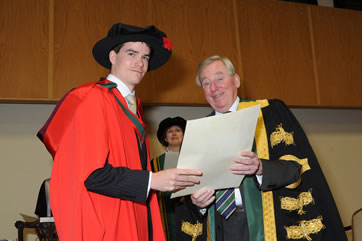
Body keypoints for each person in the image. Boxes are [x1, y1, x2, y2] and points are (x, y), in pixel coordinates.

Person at [36, 23, 202, 241]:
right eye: (131, 53)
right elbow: (90, 175)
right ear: (112, 56)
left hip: (133, 215)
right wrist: (152, 181)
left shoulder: (131, 106)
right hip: (108, 222)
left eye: (145, 57)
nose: (140, 63)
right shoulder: (94, 98)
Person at [180, 55, 348, 241]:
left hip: (266, 227)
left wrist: (260, 167)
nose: (214, 88)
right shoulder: (199, 131)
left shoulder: (270, 113)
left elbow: (295, 168)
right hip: (220, 228)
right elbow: (190, 191)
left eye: (220, 79)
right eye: (206, 83)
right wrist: (198, 203)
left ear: (236, 80)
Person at [151, 116, 187, 241]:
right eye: (170, 131)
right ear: (165, 138)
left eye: (178, 130)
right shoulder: (154, 163)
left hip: (190, 210)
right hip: (165, 212)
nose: (174, 133)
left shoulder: (193, 160)